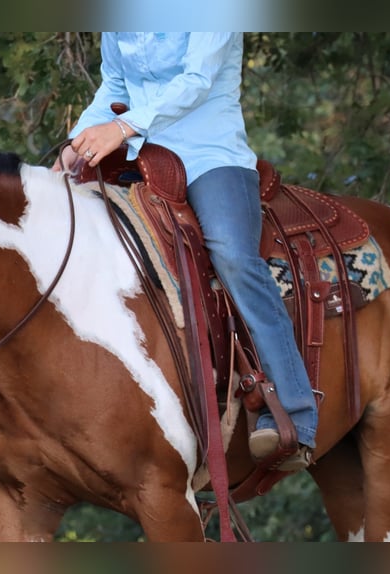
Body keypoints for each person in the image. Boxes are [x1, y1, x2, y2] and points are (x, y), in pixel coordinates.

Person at [53, 33, 316, 471]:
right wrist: (75, 146)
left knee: (233, 256)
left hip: (211, 158)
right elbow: (114, 88)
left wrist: (120, 128)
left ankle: (297, 414)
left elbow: (196, 81)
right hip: (142, 158)